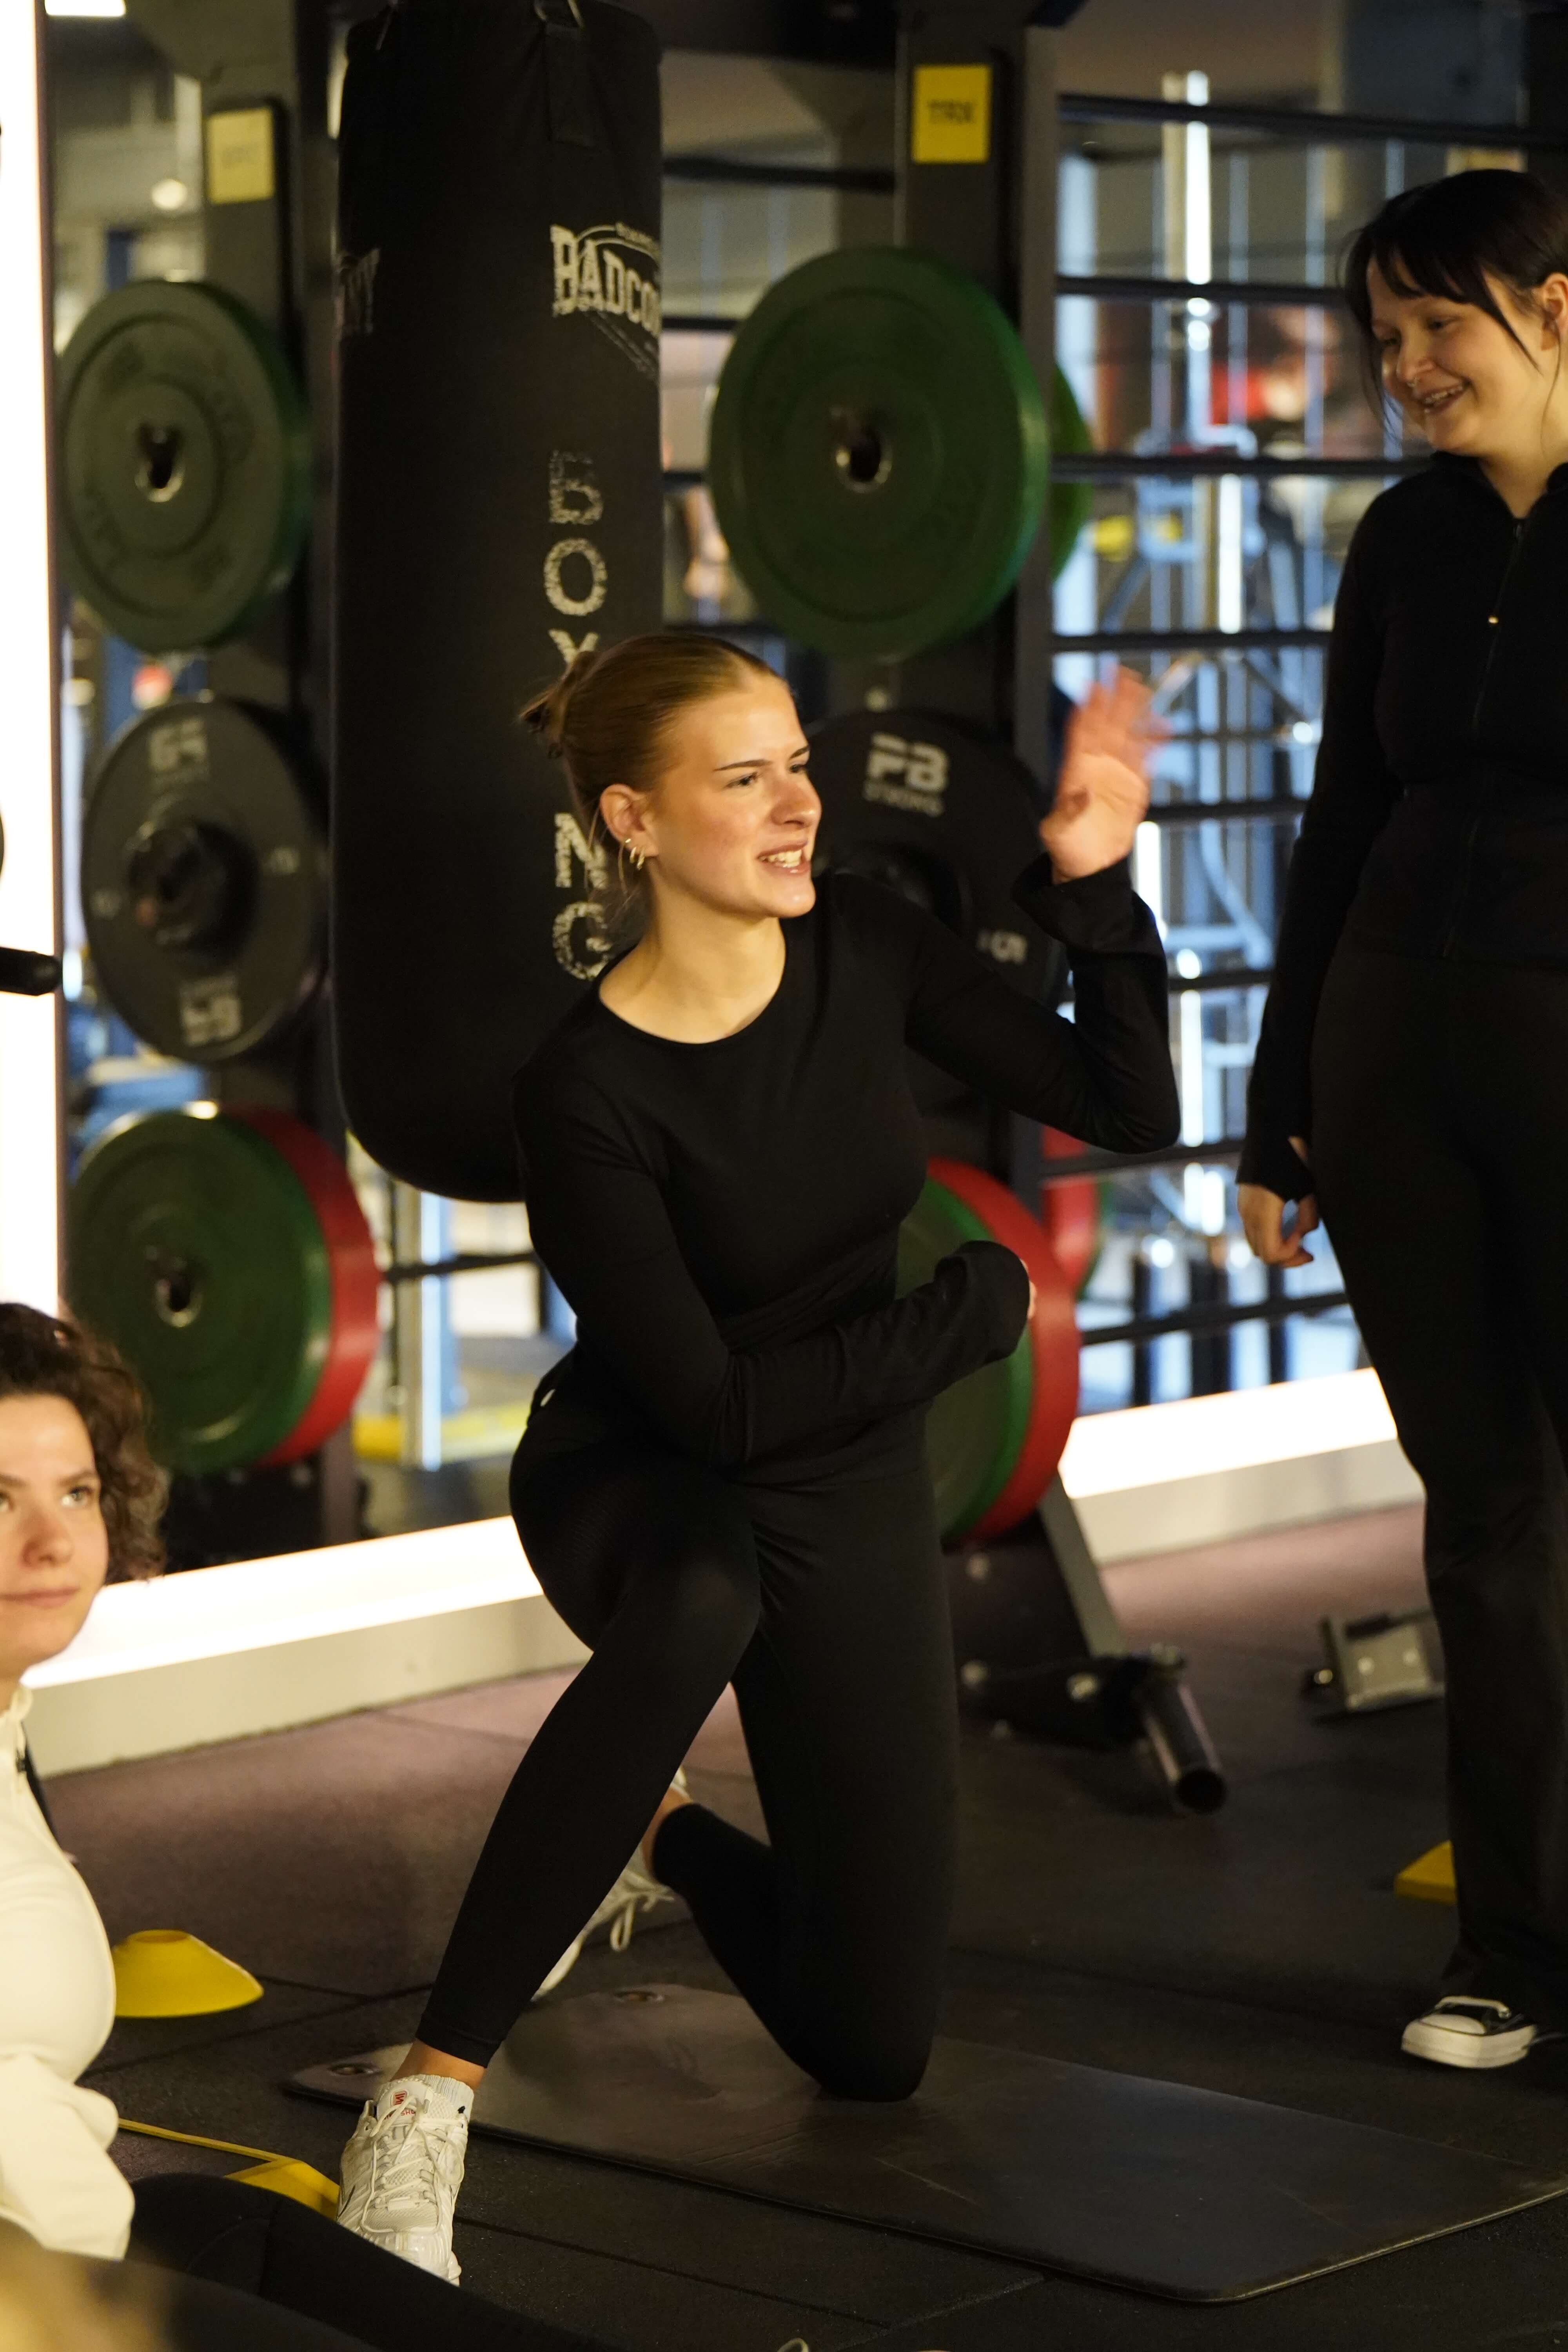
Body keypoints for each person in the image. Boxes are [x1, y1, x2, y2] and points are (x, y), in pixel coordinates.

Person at [337, 631, 1180, 2275]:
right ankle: (427, 2100)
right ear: (635, 821)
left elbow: (1124, 1104)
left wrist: (1094, 889)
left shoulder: (865, 941)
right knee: (702, 1600)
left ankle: (651, 1832)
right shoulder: (583, 1090)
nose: (801, 805)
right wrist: (959, 1321)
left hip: (846, 1478)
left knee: (874, 2049)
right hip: (646, 1475)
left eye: (798, 764)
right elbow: (715, 1410)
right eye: (748, 779)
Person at [0, 1302, 603, 2352]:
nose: (51, 1543)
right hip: (40, 2304)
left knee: (236, 2227)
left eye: (77, 1493)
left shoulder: (10, 1728)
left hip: (86, 2245)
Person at [1238, 168, 1568, 2073]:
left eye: (1440, 326)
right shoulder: (1402, 537)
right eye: (1384, 338)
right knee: (1486, 1514)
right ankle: (1509, 1953)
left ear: (1553, 309)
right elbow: (1341, 820)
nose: (1409, 367)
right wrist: (1278, 1115)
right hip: (1393, 1068)